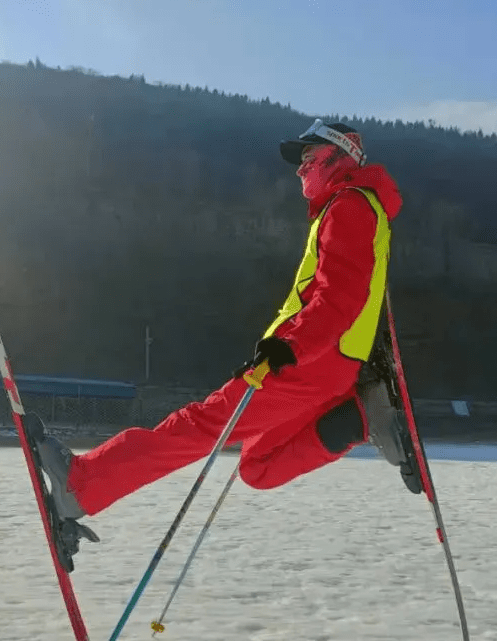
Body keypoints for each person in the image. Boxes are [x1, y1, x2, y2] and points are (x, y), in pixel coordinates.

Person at [32, 119, 410, 559]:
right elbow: (357, 295)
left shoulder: (349, 206)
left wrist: (291, 346)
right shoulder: (358, 208)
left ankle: (80, 486)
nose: (300, 169)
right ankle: (361, 416)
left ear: (336, 155)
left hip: (311, 360)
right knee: (257, 467)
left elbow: (339, 297)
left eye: (307, 158)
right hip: (330, 363)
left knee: (199, 425)